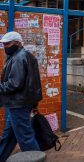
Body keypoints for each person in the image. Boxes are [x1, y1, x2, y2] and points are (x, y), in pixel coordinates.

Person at [0, 31, 42, 162]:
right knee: (9, 135)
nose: (5, 46)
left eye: (8, 43)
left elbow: (14, 83)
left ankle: (35, 159)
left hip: (18, 103)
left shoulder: (18, 57)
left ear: (17, 43)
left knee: (25, 137)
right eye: (4, 44)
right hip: (21, 102)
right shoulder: (25, 55)